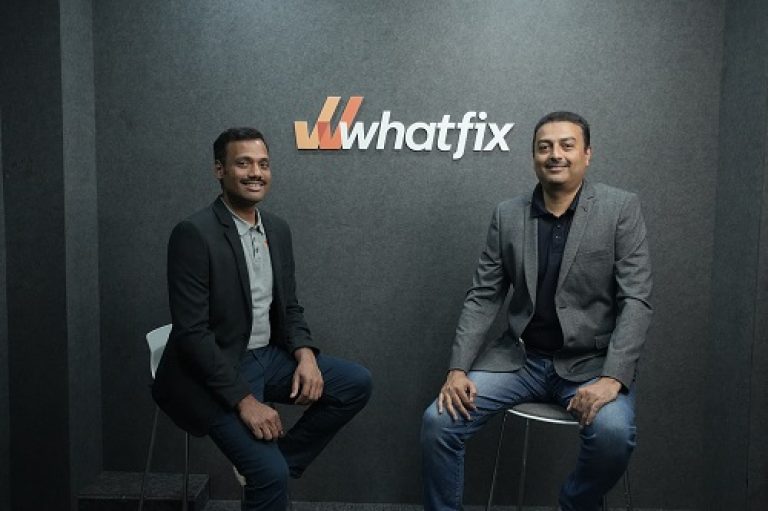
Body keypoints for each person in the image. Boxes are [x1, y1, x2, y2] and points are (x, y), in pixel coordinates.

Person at [421, 111, 652, 511]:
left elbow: (636, 300)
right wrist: (457, 369)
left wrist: (613, 378)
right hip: (519, 361)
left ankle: (574, 503)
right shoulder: (507, 215)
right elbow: (483, 296)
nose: (555, 154)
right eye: (544, 147)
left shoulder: (619, 209)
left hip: (591, 365)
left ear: (587, 154)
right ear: (534, 157)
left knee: (613, 434)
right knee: (438, 422)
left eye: (566, 145)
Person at [152, 127, 372, 511]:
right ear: (219, 170)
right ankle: (269, 468)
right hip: (211, 369)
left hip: (266, 358)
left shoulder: (277, 229)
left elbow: (290, 307)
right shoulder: (194, 234)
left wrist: (305, 355)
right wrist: (245, 401)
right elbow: (192, 334)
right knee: (269, 475)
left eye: (264, 164)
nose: (256, 172)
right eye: (244, 163)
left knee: (355, 383)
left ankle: (278, 460)